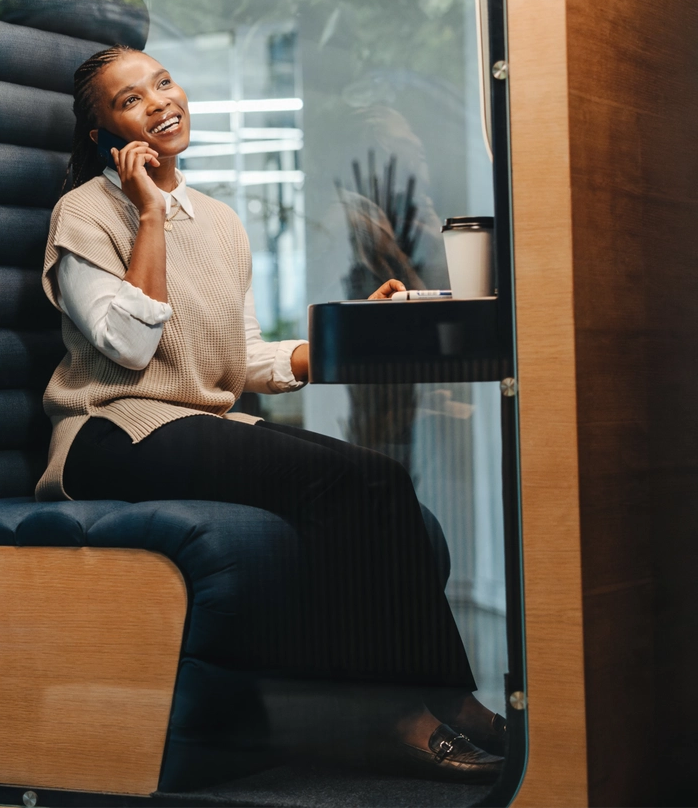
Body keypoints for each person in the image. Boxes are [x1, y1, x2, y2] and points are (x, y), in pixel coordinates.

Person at [39, 45, 506, 783]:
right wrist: (150, 215)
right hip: (112, 430)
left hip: (196, 424)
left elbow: (244, 355)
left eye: (163, 83)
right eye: (131, 100)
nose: (160, 101)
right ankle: (400, 714)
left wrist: (349, 334)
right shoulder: (86, 212)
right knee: (360, 481)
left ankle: (448, 693)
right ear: (104, 135)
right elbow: (128, 345)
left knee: (382, 482)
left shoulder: (220, 221)